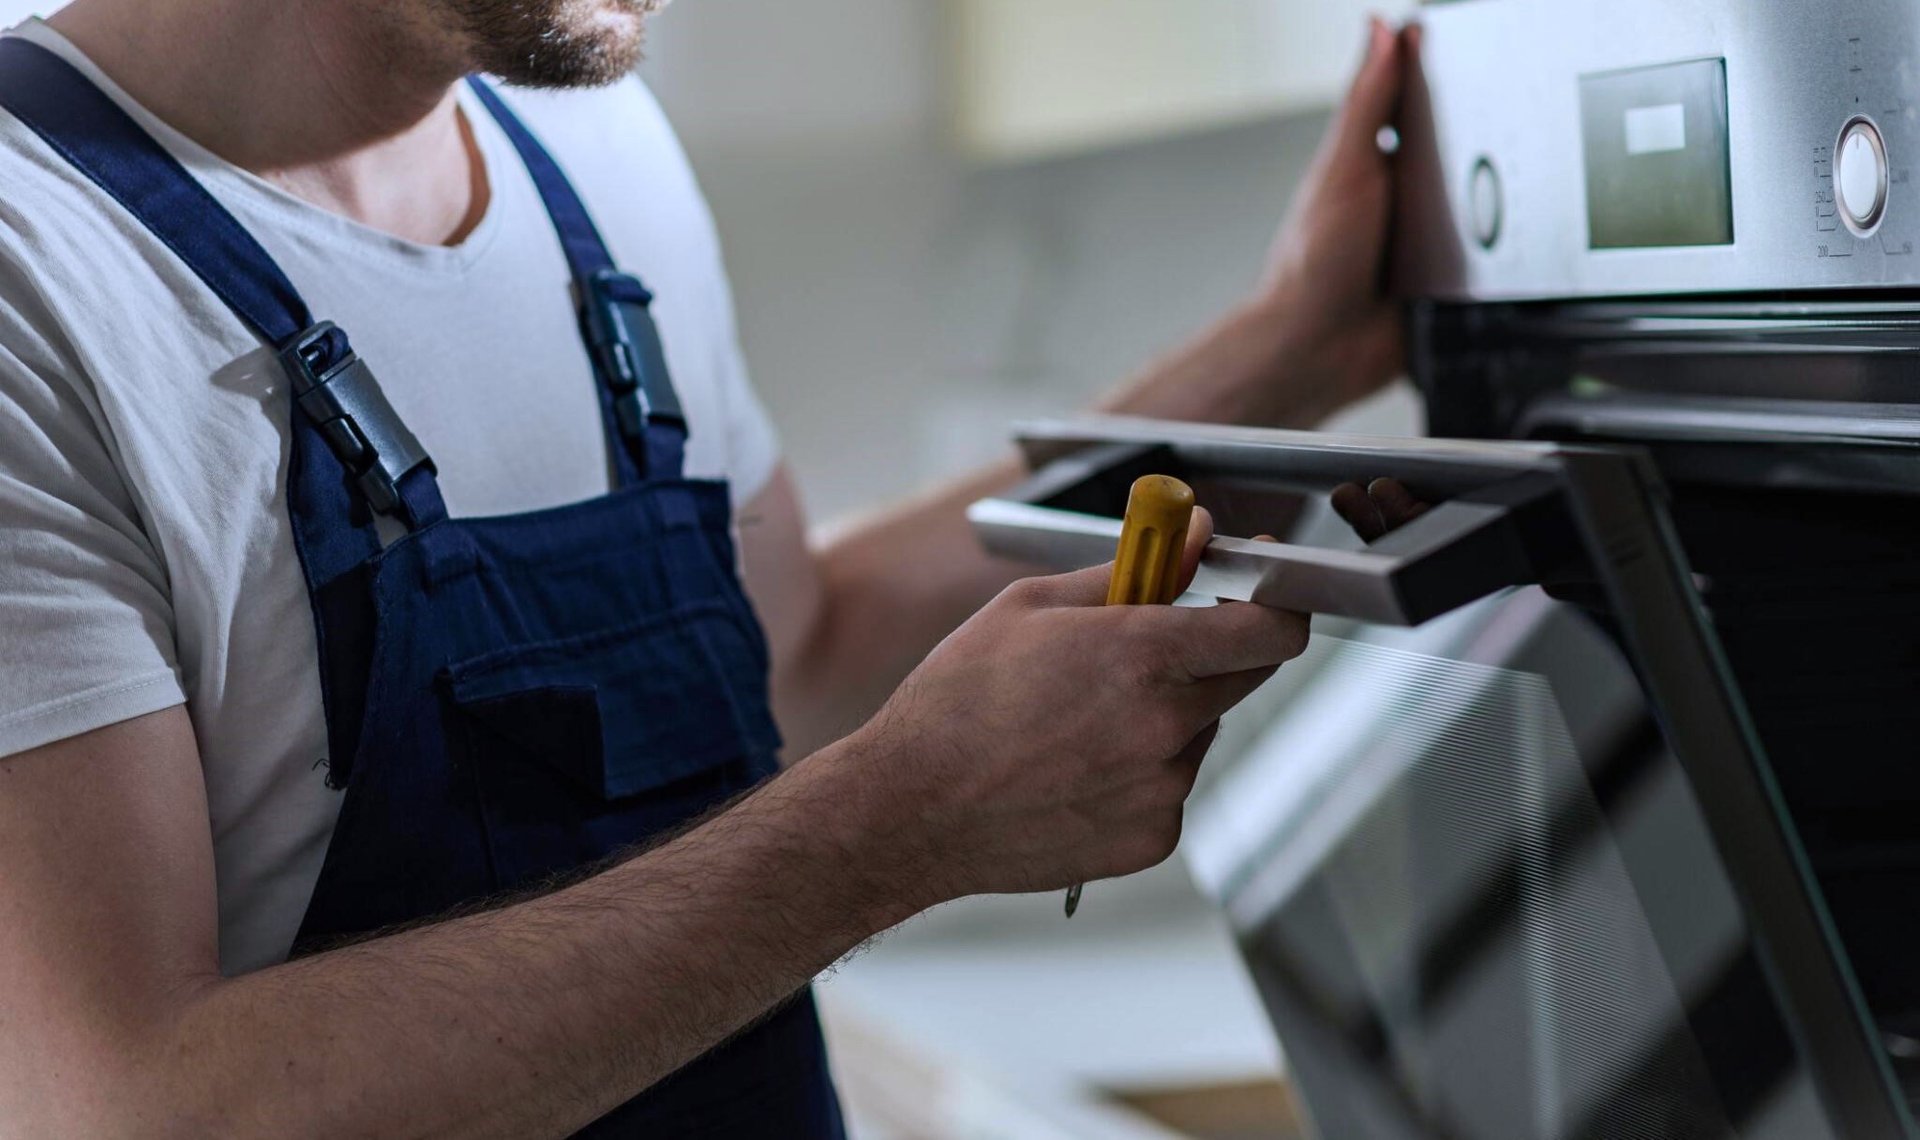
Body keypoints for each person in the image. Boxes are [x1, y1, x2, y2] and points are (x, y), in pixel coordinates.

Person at [0, 0, 1408, 1134]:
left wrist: (1283, 355)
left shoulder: (599, 157)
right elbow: (124, 1105)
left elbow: (792, 650)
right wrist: (898, 827)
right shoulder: (39, 273)